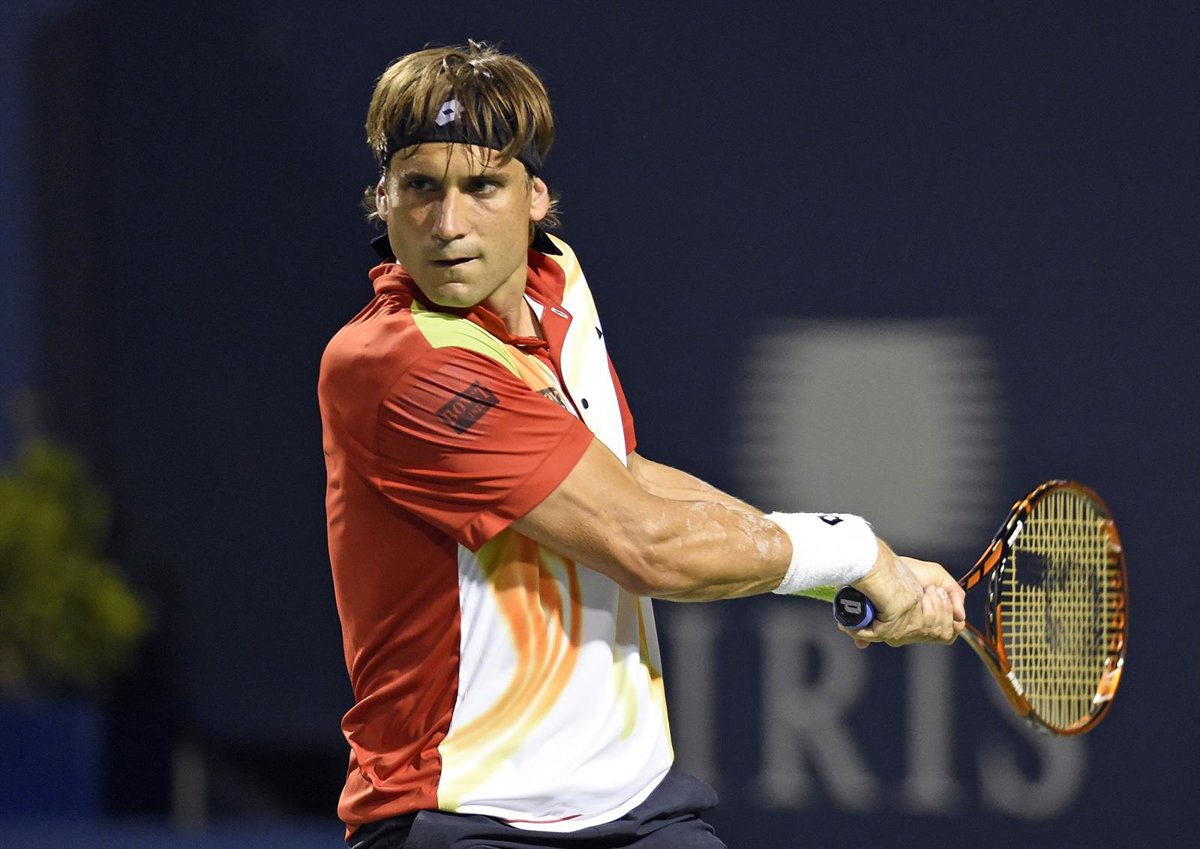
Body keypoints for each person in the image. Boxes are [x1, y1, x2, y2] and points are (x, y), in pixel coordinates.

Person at [318, 41, 966, 849]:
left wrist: (864, 570)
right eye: (420, 187)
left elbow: (619, 477)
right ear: (383, 198)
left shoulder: (560, 287)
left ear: (535, 196)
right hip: (463, 814)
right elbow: (644, 543)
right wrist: (853, 549)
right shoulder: (398, 364)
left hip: (634, 809)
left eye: (482, 185)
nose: (448, 225)